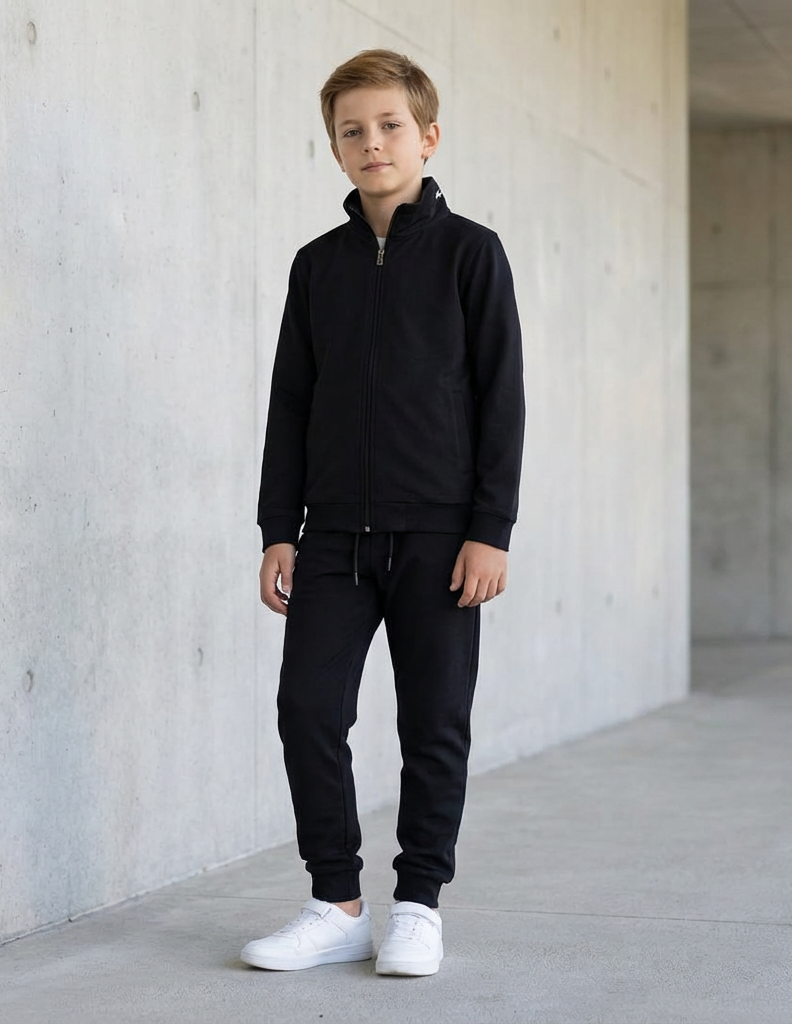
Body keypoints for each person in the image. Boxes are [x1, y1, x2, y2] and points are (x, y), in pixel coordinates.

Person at [241, 48, 525, 977]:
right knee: (307, 709)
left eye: (390, 126)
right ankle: (335, 904)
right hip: (332, 535)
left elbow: (502, 399)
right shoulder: (316, 266)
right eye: (352, 131)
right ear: (335, 148)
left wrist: (490, 529)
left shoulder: (470, 253)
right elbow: (291, 402)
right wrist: (278, 528)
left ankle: (418, 906)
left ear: (428, 136)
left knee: (433, 723)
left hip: (441, 534)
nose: (372, 143)